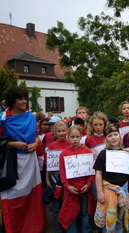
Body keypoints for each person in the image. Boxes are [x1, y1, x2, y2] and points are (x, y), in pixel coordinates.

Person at [0, 87, 46, 233]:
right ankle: (15, 227)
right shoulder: (2, 118)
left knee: (32, 195)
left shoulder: (30, 117)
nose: (24, 101)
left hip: (30, 162)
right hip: (11, 162)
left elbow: (37, 136)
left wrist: (36, 143)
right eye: (20, 99)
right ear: (13, 101)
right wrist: (14, 144)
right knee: (13, 195)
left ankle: (33, 226)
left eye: (25, 98)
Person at [93, 125, 129, 232]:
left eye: (115, 134)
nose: (113, 137)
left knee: (119, 218)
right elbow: (98, 173)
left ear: (119, 136)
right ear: (106, 139)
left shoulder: (126, 154)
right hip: (108, 190)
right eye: (110, 136)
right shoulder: (103, 154)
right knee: (109, 217)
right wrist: (99, 192)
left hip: (123, 189)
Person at [58, 125, 94, 232]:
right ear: (68, 137)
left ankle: (86, 230)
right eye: (72, 137)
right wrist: (67, 186)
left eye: (77, 137)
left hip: (84, 188)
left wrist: (88, 184)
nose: (75, 139)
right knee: (70, 211)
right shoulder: (64, 153)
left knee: (85, 211)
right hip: (70, 188)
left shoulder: (87, 151)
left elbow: (91, 171)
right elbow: (62, 171)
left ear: (81, 137)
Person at [46, 120, 70, 233]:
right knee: (56, 205)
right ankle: (58, 228)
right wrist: (47, 178)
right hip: (55, 178)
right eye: (59, 131)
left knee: (67, 204)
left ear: (67, 131)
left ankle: (68, 226)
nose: (61, 133)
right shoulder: (52, 145)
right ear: (54, 132)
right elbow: (48, 164)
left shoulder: (70, 143)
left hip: (68, 178)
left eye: (63, 130)